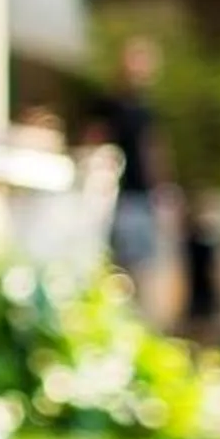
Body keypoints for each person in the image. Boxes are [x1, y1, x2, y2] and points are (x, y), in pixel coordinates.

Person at [85, 37, 175, 299]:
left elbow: (154, 150)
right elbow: (96, 139)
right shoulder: (108, 104)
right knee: (117, 260)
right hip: (116, 195)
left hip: (141, 195)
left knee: (143, 266)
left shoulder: (147, 108)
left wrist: (162, 189)